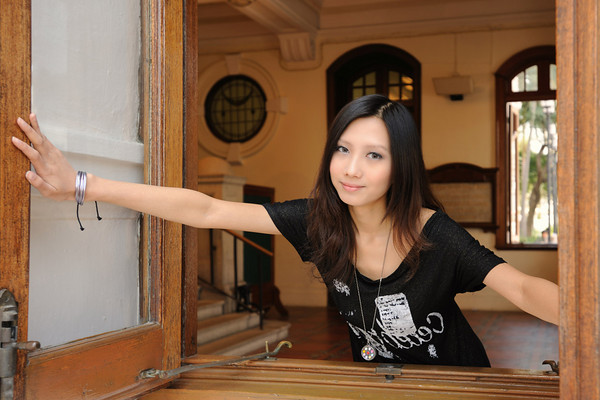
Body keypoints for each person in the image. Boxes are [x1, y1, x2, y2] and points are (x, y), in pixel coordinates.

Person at [12, 94, 558, 367]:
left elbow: (524, 288)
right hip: (377, 386)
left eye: (374, 155)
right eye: (343, 149)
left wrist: (588, 323)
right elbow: (207, 210)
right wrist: (81, 184)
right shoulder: (319, 222)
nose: (351, 169)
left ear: (401, 166)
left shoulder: (435, 235)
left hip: (458, 384)